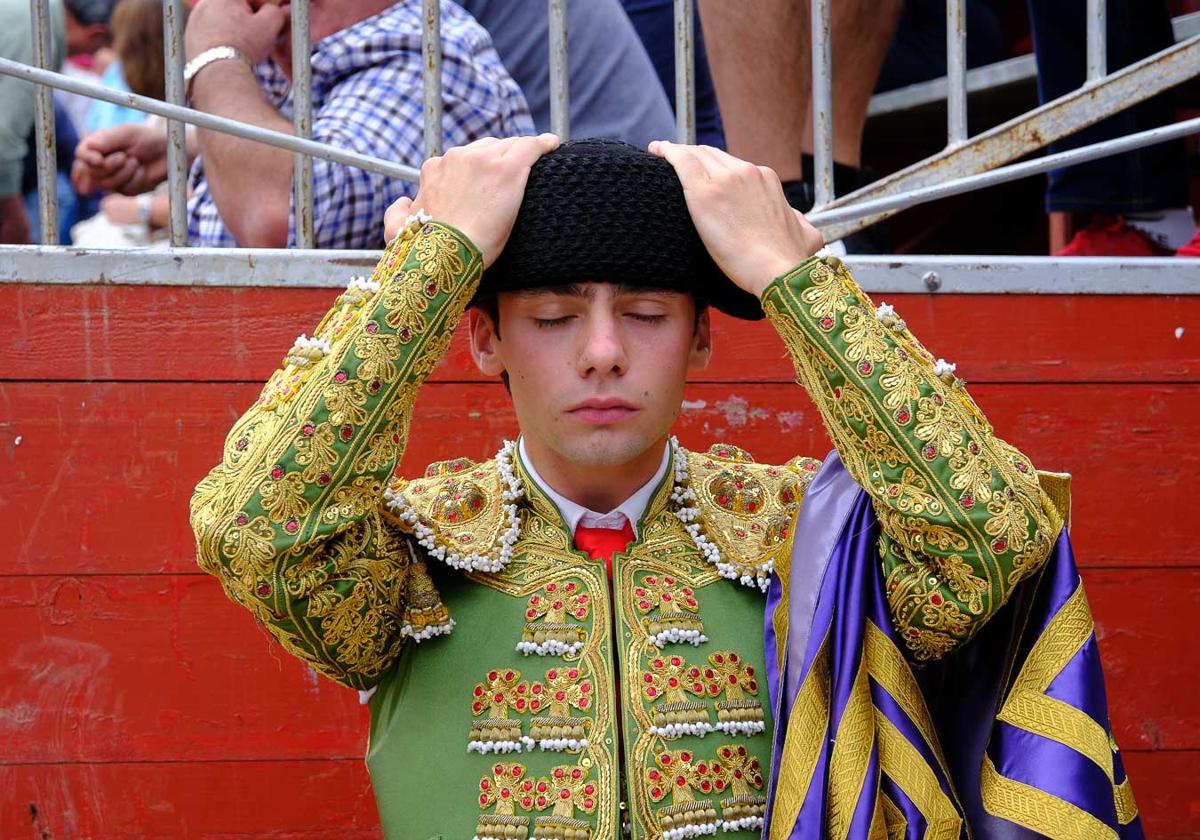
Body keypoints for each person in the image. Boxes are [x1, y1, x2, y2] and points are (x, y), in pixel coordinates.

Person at [191, 135, 1141, 838]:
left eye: (645, 314)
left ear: (699, 336)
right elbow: (253, 528)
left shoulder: (798, 542)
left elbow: (994, 537)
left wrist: (793, 275)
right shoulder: (407, 561)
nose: (603, 354)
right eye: (555, 317)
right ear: (482, 338)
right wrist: (429, 266)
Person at [72, 0, 533, 249]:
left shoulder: (431, 57)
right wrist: (189, 148)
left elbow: (281, 218)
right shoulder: (294, 48)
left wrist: (215, 58)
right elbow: (314, 143)